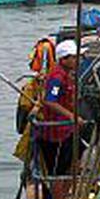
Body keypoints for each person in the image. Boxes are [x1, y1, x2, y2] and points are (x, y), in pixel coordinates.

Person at [38, 39, 80, 175]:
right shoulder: (57, 78)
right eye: (73, 57)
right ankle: (58, 192)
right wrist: (71, 116)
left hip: (67, 129)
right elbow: (50, 100)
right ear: (63, 59)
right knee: (58, 170)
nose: (76, 60)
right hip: (56, 132)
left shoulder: (67, 75)